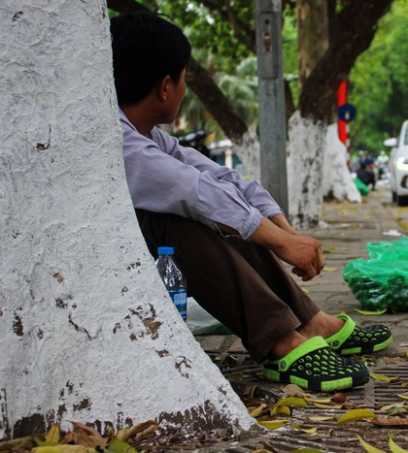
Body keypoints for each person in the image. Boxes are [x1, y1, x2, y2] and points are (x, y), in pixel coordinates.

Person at [110, 12, 392, 392]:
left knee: (229, 211)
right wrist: (282, 243)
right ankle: (279, 340)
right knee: (183, 221)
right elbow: (197, 192)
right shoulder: (122, 145)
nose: (183, 90)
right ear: (165, 87)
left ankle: (309, 322)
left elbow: (223, 179)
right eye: (183, 80)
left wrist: (287, 231)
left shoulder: (150, 138)